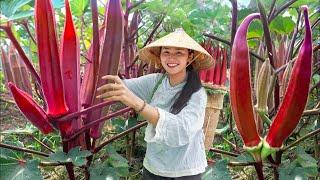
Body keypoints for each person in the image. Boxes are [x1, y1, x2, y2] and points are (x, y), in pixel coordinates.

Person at [96, 28, 214, 179]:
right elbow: (119, 87)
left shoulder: (197, 94)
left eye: (179, 53)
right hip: (153, 168)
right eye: (166, 52)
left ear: (189, 58)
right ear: (160, 56)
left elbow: (181, 130)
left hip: (185, 171)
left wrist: (139, 104)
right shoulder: (155, 82)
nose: (171, 58)